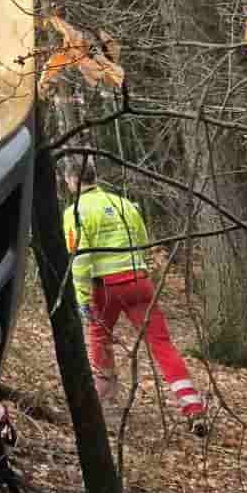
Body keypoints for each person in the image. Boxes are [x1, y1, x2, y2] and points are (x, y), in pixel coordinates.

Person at [61, 159, 209, 435]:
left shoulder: (75, 211)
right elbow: (142, 239)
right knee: (162, 344)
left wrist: (82, 298)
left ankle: (105, 407)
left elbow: (80, 259)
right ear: (94, 176)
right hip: (139, 282)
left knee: (99, 339)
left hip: (105, 286)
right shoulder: (124, 204)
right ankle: (192, 405)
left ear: (72, 180)